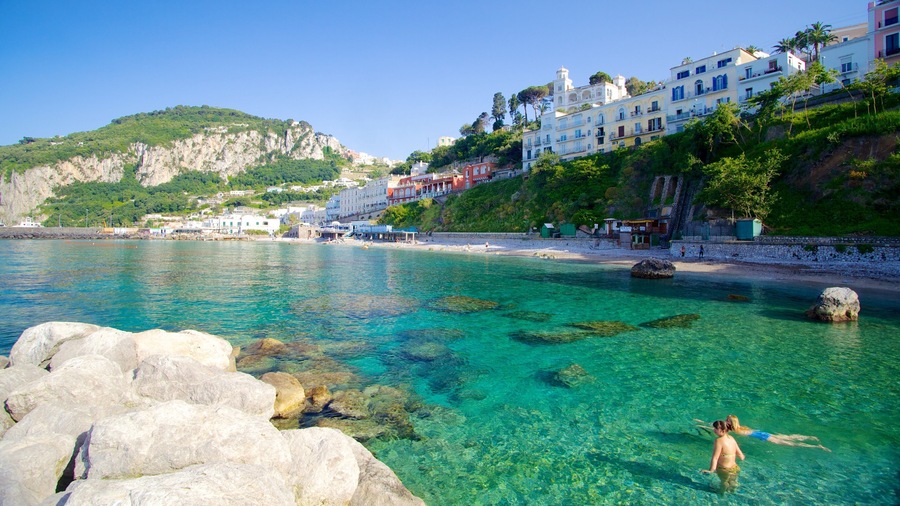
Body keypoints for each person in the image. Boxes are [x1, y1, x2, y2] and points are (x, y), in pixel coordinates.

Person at [694, 416, 830, 452]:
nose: (726, 421)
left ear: (730, 423)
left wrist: (700, 424)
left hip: (759, 436)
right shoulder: (741, 427)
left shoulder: (733, 430)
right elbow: (713, 425)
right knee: (786, 437)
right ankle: (810, 438)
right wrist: (701, 422)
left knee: (787, 443)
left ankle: (816, 447)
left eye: (728, 420)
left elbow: (714, 426)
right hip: (761, 433)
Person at [701, 420, 745, 493]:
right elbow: (740, 455)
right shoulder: (731, 438)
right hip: (735, 468)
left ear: (723, 430)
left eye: (716, 429)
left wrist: (711, 470)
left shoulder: (718, 441)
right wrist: (742, 458)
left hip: (724, 469)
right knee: (733, 483)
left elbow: (715, 457)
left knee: (724, 483)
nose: (714, 430)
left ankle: (721, 494)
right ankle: (732, 493)